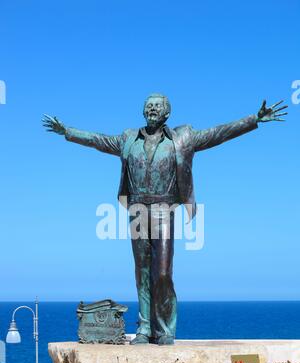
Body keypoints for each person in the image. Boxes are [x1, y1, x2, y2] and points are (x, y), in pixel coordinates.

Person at [43, 94, 287, 345]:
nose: (151, 108)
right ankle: (145, 328)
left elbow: (219, 133)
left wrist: (253, 119)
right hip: (137, 209)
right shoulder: (129, 139)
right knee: (142, 272)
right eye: (148, 105)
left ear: (167, 113)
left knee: (162, 272)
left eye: (157, 105)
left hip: (164, 208)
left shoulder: (182, 138)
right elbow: (98, 140)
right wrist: (68, 131)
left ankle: (165, 329)